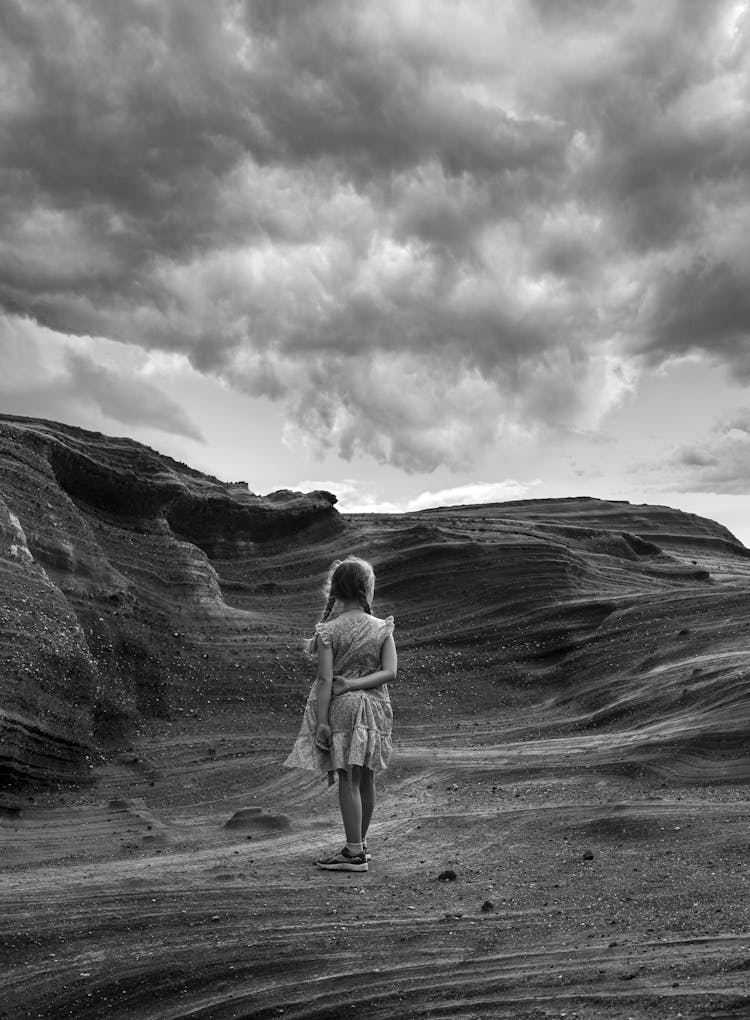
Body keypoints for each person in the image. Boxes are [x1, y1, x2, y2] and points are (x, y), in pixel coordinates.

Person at [284, 556, 397, 873]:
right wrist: (359, 683)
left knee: (348, 778)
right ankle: (359, 845)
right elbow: (390, 672)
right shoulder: (382, 628)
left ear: (335, 591)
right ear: (367, 590)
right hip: (375, 708)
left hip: (344, 709)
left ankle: (353, 853)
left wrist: (322, 720)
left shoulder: (329, 631)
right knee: (367, 777)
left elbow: (324, 681)